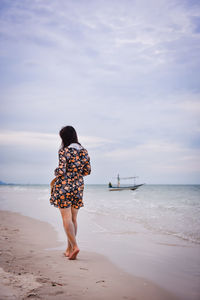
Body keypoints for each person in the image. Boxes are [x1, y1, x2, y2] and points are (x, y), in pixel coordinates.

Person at [50, 126, 91, 260]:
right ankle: (69, 249)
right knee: (73, 219)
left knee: (66, 218)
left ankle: (75, 247)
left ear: (64, 138)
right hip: (78, 186)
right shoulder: (84, 152)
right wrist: (76, 173)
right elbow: (87, 171)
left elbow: (61, 171)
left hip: (64, 186)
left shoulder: (64, 151)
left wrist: (56, 172)